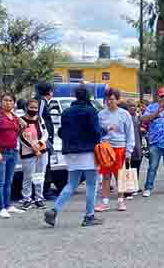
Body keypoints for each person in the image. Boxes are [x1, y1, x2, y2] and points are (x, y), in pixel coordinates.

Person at [44, 86, 105, 228]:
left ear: (76, 97)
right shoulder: (91, 111)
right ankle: (89, 216)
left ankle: (54, 210)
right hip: (88, 152)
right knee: (91, 184)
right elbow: (96, 132)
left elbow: (61, 131)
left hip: (70, 152)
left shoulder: (66, 112)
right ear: (88, 97)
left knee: (71, 184)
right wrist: (104, 132)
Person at [95, 89, 135, 212]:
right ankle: (105, 202)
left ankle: (121, 201)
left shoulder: (125, 114)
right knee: (106, 176)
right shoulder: (101, 114)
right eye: (107, 99)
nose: (110, 102)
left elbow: (130, 133)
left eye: (112, 99)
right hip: (106, 148)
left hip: (120, 147)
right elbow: (98, 132)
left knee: (119, 176)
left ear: (117, 100)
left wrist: (129, 150)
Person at [0, 92, 23, 219]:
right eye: (5, 100)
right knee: (0, 181)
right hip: (1, 151)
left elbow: (17, 133)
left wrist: (22, 127)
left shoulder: (14, 116)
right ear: (1, 102)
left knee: (9, 181)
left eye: (10, 101)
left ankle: (8, 205)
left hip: (13, 151)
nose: (8, 103)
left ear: (14, 103)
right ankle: (1, 207)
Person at [18, 98, 49, 210]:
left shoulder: (40, 119)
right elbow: (21, 137)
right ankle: (27, 199)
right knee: (28, 177)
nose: (33, 110)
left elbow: (45, 133)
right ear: (26, 108)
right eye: (31, 107)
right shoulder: (21, 120)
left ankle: (39, 198)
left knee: (40, 176)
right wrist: (33, 148)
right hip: (28, 152)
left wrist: (40, 143)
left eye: (35, 108)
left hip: (42, 151)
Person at [34, 82, 58, 198]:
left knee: (43, 165)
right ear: (48, 91)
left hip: (42, 138)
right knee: (44, 165)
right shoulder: (41, 101)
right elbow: (37, 118)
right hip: (42, 139)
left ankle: (43, 190)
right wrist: (43, 138)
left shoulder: (40, 101)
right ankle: (44, 191)